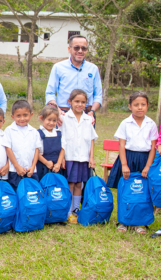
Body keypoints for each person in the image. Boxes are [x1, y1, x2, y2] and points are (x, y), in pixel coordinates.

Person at [105, 91, 157, 235]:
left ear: (147, 106)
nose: (139, 107)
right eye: (136, 105)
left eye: (143, 104)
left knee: (142, 192)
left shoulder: (151, 124)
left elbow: (153, 147)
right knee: (126, 191)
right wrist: (124, 164)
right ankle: (123, 221)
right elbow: (122, 145)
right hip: (127, 158)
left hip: (145, 160)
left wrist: (148, 166)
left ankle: (140, 223)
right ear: (129, 106)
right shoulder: (125, 123)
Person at [45, 35, 102, 126]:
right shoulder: (58, 68)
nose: (80, 51)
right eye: (76, 48)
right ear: (69, 49)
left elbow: (98, 95)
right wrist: (57, 111)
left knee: (87, 140)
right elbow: (50, 93)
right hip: (63, 114)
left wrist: (92, 112)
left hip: (87, 114)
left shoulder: (93, 69)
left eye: (84, 48)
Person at [60, 89, 97, 224]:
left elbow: (91, 140)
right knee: (70, 183)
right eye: (76, 101)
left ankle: (76, 210)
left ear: (86, 103)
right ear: (69, 102)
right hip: (70, 156)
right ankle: (68, 211)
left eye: (83, 102)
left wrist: (91, 157)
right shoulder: (64, 118)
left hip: (83, 157)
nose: (79, 104)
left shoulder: (88, 119)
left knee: (79, 184)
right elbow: (62, 139)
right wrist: (62, 157)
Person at [2, 100, 41, 192]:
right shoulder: (9, 130)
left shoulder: (34, 132)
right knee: (17, 194)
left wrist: (33, 166)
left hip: (31, 171)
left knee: (31, 195)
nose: (22, 118)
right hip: (15, 171)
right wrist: (17, 167)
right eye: (18, 116)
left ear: (31, 115)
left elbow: (36, 150)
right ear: (12, 117)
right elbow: (8, 149)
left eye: (25, 115)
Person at [36, 104, 65, 181]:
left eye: (54, 120)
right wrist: (46, 162)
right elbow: (36, 152)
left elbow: (62, 149)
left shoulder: (59, 133)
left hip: (56, 167)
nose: (51, 123)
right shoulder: (38, 133)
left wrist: (58, 164)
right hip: (42, 166)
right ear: (42, 118)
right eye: (49, 120)